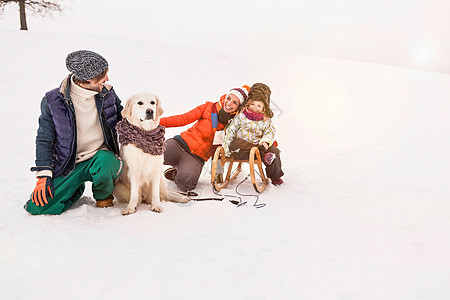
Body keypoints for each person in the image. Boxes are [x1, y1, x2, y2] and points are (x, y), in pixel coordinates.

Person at [25, 50, 123, 215]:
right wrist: (43, 175)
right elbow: (44, 139)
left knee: (107, 161)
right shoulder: (53, 100)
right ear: (87, 80)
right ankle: (74, 188)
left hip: (100, 158)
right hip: (68, 165)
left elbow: (123, 119)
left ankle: (103, 195)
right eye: (103, 77)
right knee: (37, 208)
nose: (107, 79)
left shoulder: (107, 93)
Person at [160, 85, 250, 192]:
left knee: (187, 185)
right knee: (151, 155)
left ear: (239, 107)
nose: (229, 103)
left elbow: (220, 152)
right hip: (179, 145)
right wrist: (156, 123)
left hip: (196, 158)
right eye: (229, 98)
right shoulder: (209, 107)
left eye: (235, 103)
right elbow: (183, 119)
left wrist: (218, 176)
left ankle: (175, 173)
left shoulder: (234, 125)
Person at [222, 83, 284, 185]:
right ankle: (260, 153)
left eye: (259, 106)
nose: (255, 108)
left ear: (265, 107)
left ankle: (275, 175)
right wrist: (226, 146)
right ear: (248, 103)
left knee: (274, 151)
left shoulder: (266, 120)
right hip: (242, 147)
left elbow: (270, 131)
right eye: (252, 104)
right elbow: (231, 130)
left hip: (257, 146)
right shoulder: (242, 116)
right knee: (236, 143)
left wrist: (265, 142)